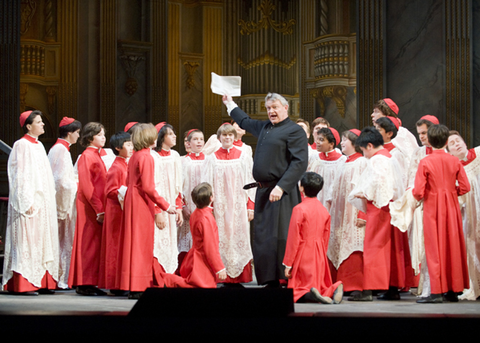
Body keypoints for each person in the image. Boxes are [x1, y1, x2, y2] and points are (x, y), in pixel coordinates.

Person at [222, 93, 308, 287]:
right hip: (263, 192)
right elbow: (244, 121)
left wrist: (281, 186)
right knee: (264, 238)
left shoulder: (294, 131)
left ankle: (282, 278)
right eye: (268, 108)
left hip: (281, 193)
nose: (271, 111)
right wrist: (229, 103)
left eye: (275, 107)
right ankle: (269, 280)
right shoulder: (265, 127)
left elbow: (299, 163)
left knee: (280, 236)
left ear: (286, 108)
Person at [116, 123, 176, 299]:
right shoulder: (147, 157)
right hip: (141, 201)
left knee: (133, 242)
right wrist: (166, 205)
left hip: (132, 198)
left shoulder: (135, 155)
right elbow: (149, 187)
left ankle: (131, 284)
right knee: (141, 243)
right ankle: (138, 285)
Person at [2, 110, 60, 294]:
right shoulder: (21, 145)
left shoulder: (39, 146)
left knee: (41, 241)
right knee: (27, 241)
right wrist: (27, 201)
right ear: (28, 126)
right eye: (39, 122)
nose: (43, 124)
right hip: (29, 204)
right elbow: (20, 175)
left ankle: (42, 281)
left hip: (43, 205)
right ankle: (24, 283)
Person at [413, 125, 470, 303]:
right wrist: (453, 193)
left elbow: (418, 191)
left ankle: (437, 292)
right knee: (453, 246)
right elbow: (466, 187)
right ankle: (453, 290)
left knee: (434, 248)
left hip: (432, 207)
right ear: (447, 141)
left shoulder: (426, 161)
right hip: (451, 207)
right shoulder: (455, 161)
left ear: (429, 141)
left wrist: (424, 196)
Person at [348, 127, 405, 301]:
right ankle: (392, 287)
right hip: (390, 208)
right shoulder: (390, 157)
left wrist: (364, 193)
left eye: (363, 149)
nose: (363, 153)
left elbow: (380, 183)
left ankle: (369, 289)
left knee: (375, 248)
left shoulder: (377, 160)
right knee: (391, 249)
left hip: (379, 208)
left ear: (370, 145)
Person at [202, 123, 255, 286]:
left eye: (230, 135)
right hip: (220, 206)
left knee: (239, 236)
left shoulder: (243, 156)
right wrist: (208, 207)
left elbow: (251, 182)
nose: (227, 138)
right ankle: (221, 275)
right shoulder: (211, 158)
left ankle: (239, 278)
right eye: (224, 135)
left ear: (234, 137)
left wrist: (250, 206)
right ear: (219, 138)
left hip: (239, 204)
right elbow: (206, 183)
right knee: (221, 238)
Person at [283, 172, 343, 304]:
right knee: (319, 284)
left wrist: (288, 264)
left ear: (301, 188)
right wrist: (321, 253)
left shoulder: (299, 209)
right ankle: (333, 288)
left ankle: (312, 294)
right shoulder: (323, 210)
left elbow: (294, 239)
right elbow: (326, 237)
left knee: (297, 290)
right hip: (319, 252)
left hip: (303, 252)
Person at [162, 182, 227, 288]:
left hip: (195, 255)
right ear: (211, 198)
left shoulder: (196, 213)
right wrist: (220, 268)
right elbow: (210, 247)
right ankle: (167, 280)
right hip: (201, 260)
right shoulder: (206, 218)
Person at [68, 122, 108, 296]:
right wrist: (98, 208)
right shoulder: (87, 156)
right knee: (88, 244)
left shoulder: (97, 155)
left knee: (94, 244)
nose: (103, 138)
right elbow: (86, 185)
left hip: (97, 205)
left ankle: (91, 282)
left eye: (104, 134)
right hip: (90, 206)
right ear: (91, 137)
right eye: (100, 135)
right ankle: (84, 282)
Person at [327, 129, 367, 293]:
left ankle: (354, 284)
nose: (342, 143)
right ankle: (337, 282)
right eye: (342, 140)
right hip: (339, 211)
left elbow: (365, 189)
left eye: (345, 140)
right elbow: (333, 187)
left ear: (355, 143)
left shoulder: (362, 162)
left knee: (352, 244)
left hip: (353, 213)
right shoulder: (343, 161)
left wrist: (363, 214)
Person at [48, 116, 82, 289]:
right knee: (63, 240)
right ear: (69, 133)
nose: (78, 136)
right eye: (77, 133)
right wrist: (78, 183)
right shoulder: (61, 150)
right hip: (61, 202)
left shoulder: (60, 148)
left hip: (59, 199)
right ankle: (61, 278)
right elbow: (61, 180)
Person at [98, 131, 133, 294]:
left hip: (123, 209)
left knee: (121, 247)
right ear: (118, 148)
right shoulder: (116, 166)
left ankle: (121, 282)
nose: (132, 147)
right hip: (116, 212)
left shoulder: (125, 163)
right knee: (115, 247)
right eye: (128, 144)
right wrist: (127, 192)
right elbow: (110, 190)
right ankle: (114, 284)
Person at [447, 131, 480, 301]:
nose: (456, 144)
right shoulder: (453, 169)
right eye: (452, 143)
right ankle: (476, 286)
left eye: (458, 140)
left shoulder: (479, 153)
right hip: (471, 213)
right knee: (473, 246)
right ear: (449, 151)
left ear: (464, 142)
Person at [152, 122, 183, 275]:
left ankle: (169, 276)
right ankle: (158, 276)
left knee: (171, 241)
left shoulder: (175, 156)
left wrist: (179, 209)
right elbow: (152, 187)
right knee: (157, 241)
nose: (174, 136)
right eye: (170, 134)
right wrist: (157, 212)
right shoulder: (153, 156)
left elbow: (179, 186)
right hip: (157, 209)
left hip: (171, 207)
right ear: (161, 137)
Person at [178, 129, 206, 269]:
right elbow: (178, 186)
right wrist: (183, 206)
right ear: (188, 143)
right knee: (186, 238)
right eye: (195, 139)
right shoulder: (183, 161)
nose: (199, 142)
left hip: (204, 208)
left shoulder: (208, 160)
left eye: (201, 139)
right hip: (188, 207)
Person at [307, 127, 346, 211]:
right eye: (317, 139)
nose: (317, 142)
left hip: (335, 202)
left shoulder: (342, 161)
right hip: (315, 200)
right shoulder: (314, 158)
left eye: (321, 140)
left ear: (331, 144)